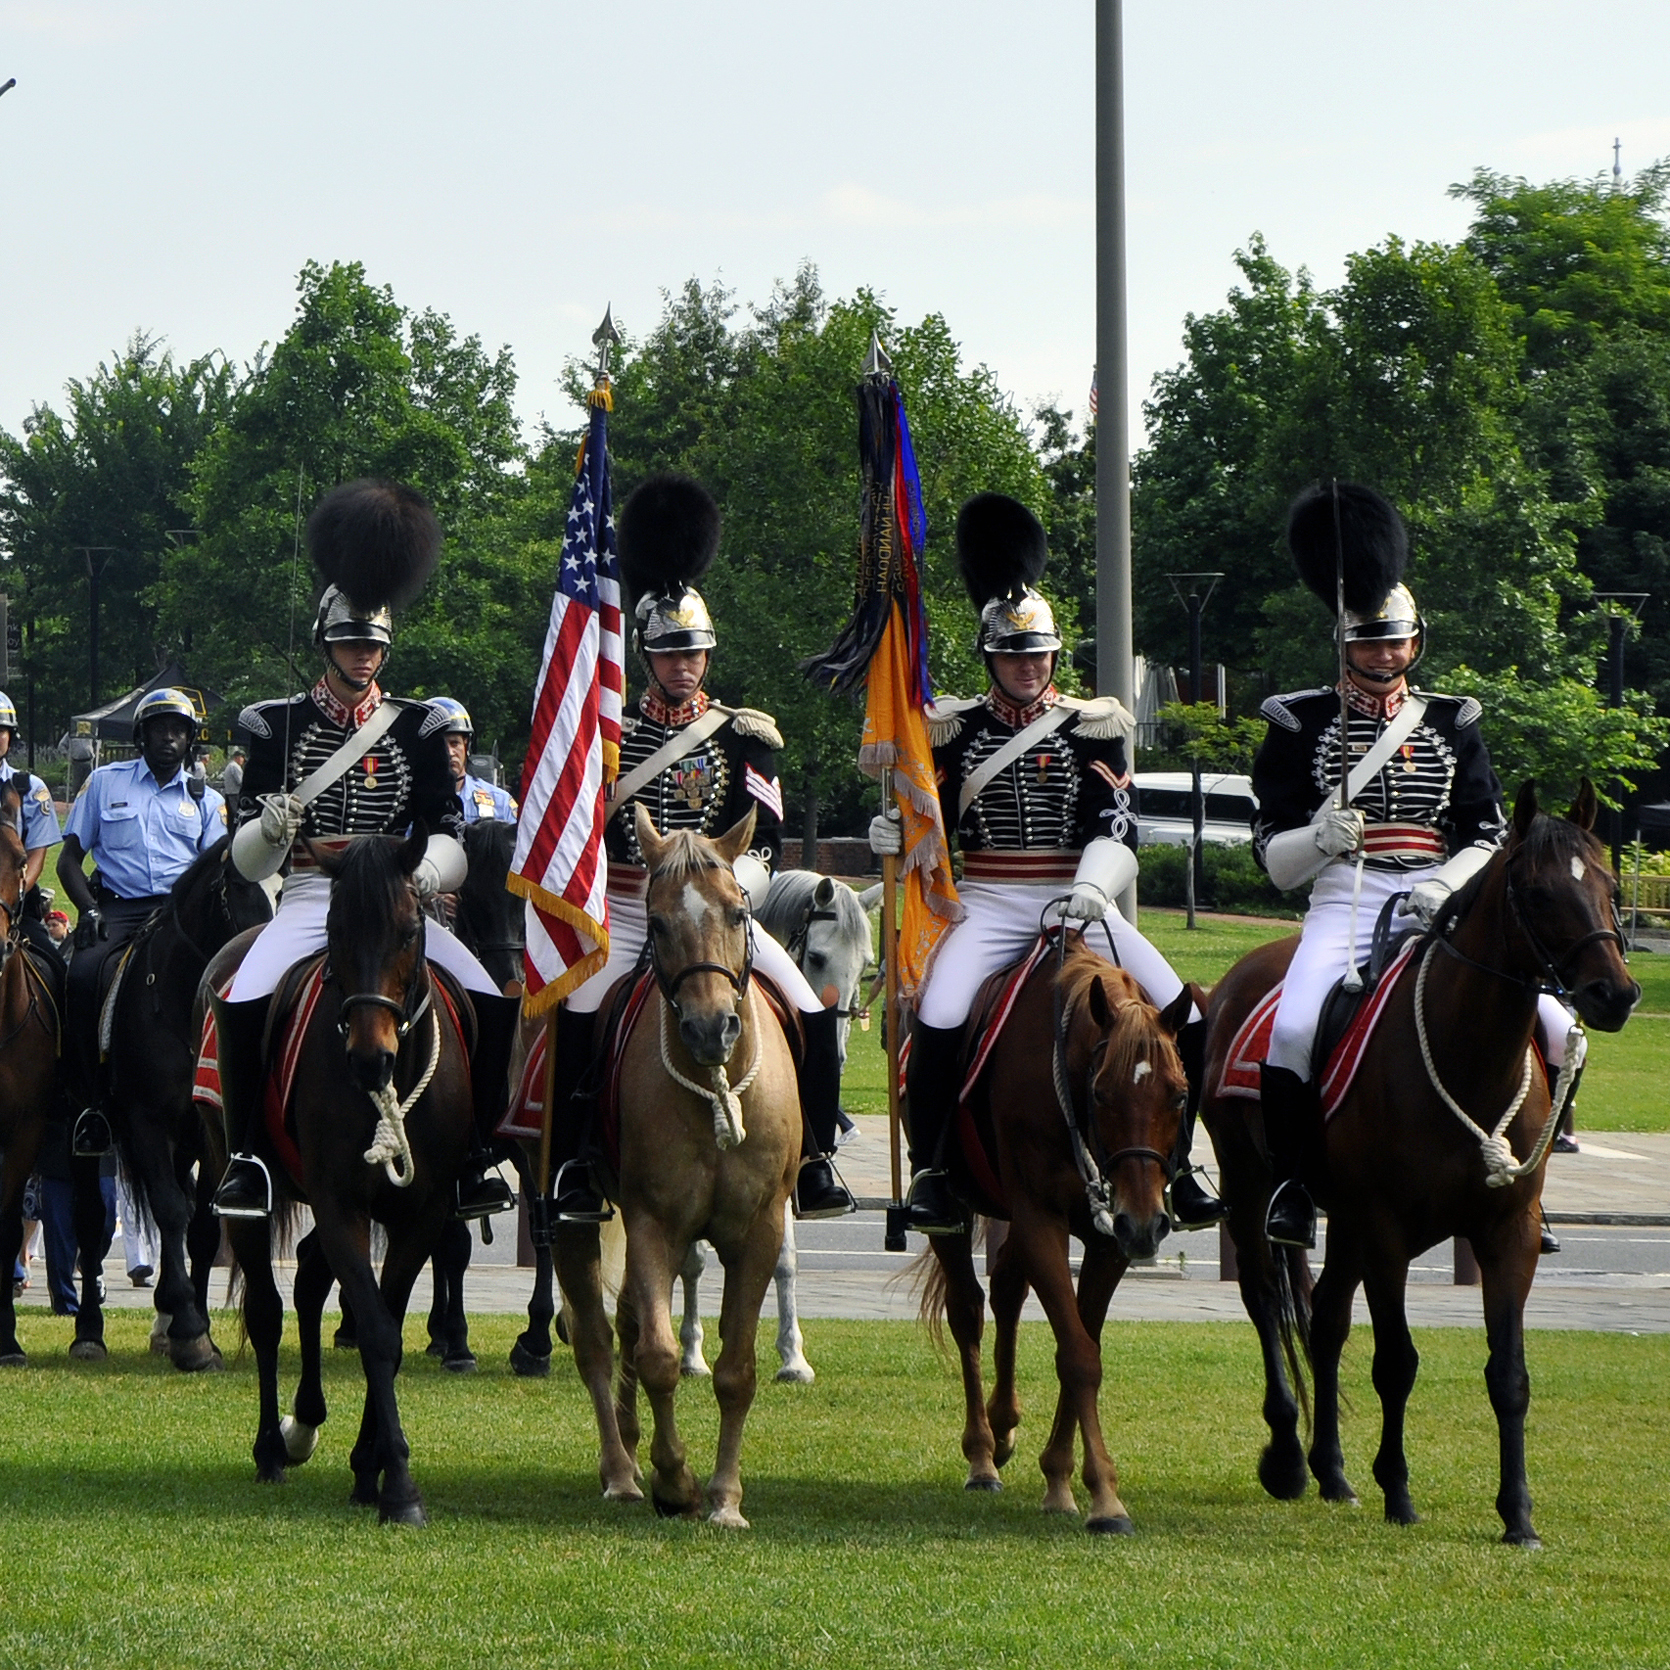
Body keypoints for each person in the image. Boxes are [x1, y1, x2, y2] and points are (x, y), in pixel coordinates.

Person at [870, 494, 1223, 1236]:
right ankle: (935, 1169)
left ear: (1054, 656)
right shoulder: (950, 732)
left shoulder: (1095, 728)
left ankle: (1183, 1168)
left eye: (1038, 655)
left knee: (1187, 1017)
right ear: (990, 658)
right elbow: (928, 826)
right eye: (1012, 655)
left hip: (1081, 899)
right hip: (992, 903)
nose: (1027, 667)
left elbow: (1116, 828)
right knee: (937, 1015)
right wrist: (893, 835)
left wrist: (1092, 891)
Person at [1251, 483, 1577, 1249]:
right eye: (1369, 643)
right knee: (1294, 1027)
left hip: (1442, 897)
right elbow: (1273, 859)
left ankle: (1529, 1177)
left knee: (1560, 1031)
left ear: (1415, 641)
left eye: (1396, 642)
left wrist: (1443, 883)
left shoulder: (1450, 719)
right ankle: (1295, 1187)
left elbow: (1486, 829)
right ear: (1344, 646)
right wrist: (1317, 839)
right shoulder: (1299, 720)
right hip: (1346, 898)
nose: (1385, 655)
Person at [545, 473, 855, 1225]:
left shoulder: (744, 734)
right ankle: (575, 1169)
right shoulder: (606, 732)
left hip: (720, 911)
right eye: (671, 653)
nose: (685, 666)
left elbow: (769, 838)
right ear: (647, 655)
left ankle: (815, 1156)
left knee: (809, 1006)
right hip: (628, 908)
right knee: (581, 1012)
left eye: (696, 653)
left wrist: (727, 884)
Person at [210, 479, 520, 1224]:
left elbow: (452, 835)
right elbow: (245, 864)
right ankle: (249, 1155)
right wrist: (271, 829)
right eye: (350, 641)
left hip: (400, 901)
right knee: (243, 995)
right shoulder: (272, 725)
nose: (362, 654)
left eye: (373, 643)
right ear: (326, 645)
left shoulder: (416, 727)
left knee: (487, 995)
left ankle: (476, 1150)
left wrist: (412, 876)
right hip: (314, 895)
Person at [57, 688, 226, 1155]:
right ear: (142, 735)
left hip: (179, 916)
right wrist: (87, 910)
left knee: (235, 984)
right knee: (82, 975)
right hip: (117, 908)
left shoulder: (208, 800)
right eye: (159, 729)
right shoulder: (106, 783)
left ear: (190, 740)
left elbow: (218, 870)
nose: (169, 738)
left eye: (178, 730)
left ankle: (236, 1103)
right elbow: (70, 860)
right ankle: (91, 1104)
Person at [0, 690, 66, 961]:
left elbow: (37, 854)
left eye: (1, 731)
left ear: (10, 737)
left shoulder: (30, 789)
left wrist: (10, 898)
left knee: (57, 967)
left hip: (14, 903)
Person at [426, 698, 518, 824]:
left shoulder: (500, 802)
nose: (450, 753)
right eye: (440, 746)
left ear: (466, 746)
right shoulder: (408, 805)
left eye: (455, 743)